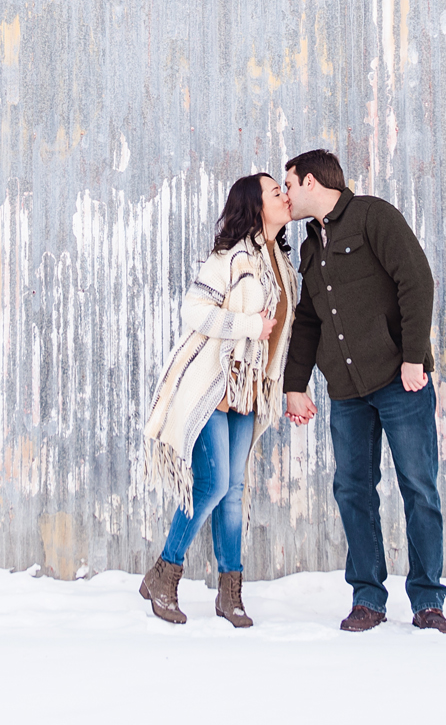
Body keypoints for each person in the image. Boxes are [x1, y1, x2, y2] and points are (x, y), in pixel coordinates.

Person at [280, 149, 446, 634]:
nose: (286, 195)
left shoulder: (374, 216)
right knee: (353, 490)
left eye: (289, 184)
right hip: (347, 392)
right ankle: (368, 599)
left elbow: (416, 282)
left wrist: (414, 358)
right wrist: (295, 386)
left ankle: (427, 601)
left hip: (401, 381)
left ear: (310, 181)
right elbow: (309, 320)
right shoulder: (310, 247)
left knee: (418, 487)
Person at [139, 172, 296, 626]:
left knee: (235, 492)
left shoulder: (279, 264)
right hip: (213, 388)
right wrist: (250, 327)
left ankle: (231, 594)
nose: (284, 197)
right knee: (213, 484)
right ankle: (164, 574)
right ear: (255, 205)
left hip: (248, 391)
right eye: (275, 192)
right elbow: (194, 311)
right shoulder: (229, 258)